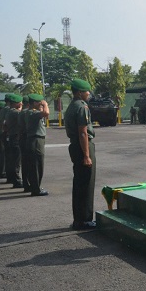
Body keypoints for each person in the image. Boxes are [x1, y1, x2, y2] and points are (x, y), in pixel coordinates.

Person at [64, 79, 97, 229]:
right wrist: (87, 155)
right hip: (83, 146)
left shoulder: (71, 106)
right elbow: (83, 133)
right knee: (86, 183)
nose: (88, 94)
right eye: (86, 91)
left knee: (79, 183)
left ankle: (78, 219)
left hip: (74, 145)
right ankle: (85, 220)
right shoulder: (82, 107)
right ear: (79, 92)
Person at [25, 93, 49, 196]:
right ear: (34, 103)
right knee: (37, 166)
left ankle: (36, 187)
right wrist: (46, 105)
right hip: (35, 141)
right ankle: (36, 189)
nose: (41, 104)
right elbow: (46, 113)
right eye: (39, 102)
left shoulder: (34, 112)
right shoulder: (31, 113)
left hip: (36, 140)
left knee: (37, 165)